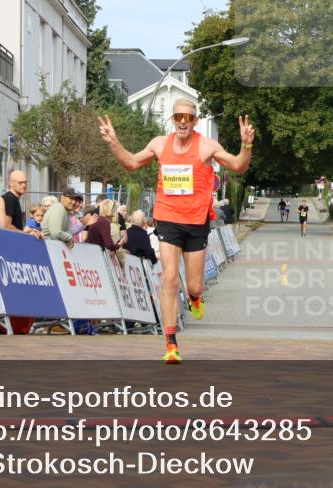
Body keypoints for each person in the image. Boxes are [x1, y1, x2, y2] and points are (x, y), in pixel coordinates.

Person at [99, 99, 255, 364]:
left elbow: (239, 165)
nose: (183, 121)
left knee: (194, 284)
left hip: (196, 222)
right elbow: (132, 163)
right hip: (167, 219)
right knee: (169, 278)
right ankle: (170, 343)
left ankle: (195, 297)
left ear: (195, 121)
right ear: (173, 119)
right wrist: (114, 142)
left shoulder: (206, 145)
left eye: (189, 117)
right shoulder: (160, 143)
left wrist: (246, 144)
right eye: (178, 116)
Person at [1, 170, 41, 238]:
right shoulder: (10, 199)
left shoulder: (13, 199)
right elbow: (6, 225)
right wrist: (24, 234)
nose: (24, 185)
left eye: (25, 182)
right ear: (11, 183)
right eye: (20, 183)